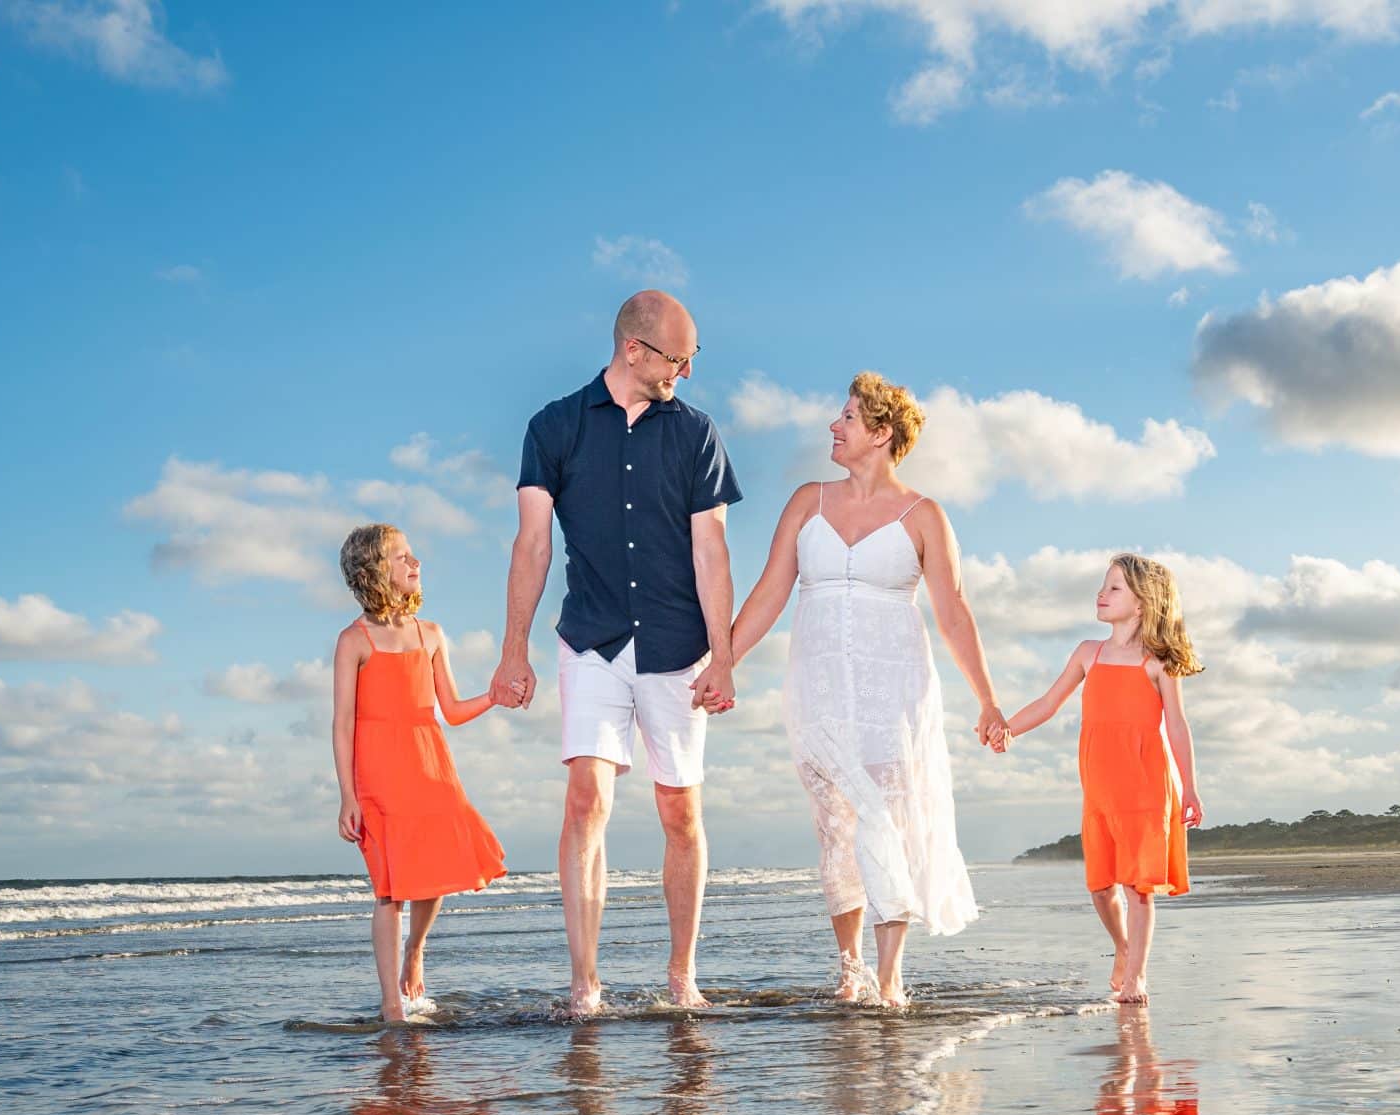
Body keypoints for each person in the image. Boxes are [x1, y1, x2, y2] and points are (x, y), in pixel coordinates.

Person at [491, 291, 741, 1016]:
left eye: (694, 358)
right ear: (635, 350)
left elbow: (712, 551)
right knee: (586, 799)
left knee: (680, 814)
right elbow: (532, 543)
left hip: (677, 646)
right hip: (592, 640)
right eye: (678, 357)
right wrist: (514, 651)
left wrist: (723, 657)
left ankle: (680, 975)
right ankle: (584, 983)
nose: (687, 371)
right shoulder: (554, 426)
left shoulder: (696, 433)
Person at [729, 373, 1007, 1007]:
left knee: (884, 817)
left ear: (881, 434)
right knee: (835, 826)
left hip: (894, 688)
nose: (835, 424)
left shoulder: (925, 516)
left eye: (849, 417)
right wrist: (725, 662)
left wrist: (987, 700)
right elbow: (770, 590)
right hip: (818, 686)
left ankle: (888, 976)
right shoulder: (808, 501)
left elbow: (955, 613)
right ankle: (849, 965)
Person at [1000, 552, 1204, 1003]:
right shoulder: (1088, 654)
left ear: (1144, 602)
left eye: (1114, 588)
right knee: (1099, 887)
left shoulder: (1158, 662)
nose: (1101, 594)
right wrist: (1007, 729)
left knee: (1138, 888)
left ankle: (1136, 978)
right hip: (1100, 790)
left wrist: (1189, 788)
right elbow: (1048, 702)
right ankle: (1123, 948)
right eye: (1103, 585)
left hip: (1148, 788)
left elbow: (1177, 725)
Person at [332, 523, 507, 1024]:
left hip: (430, 765)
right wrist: (348, 795)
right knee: (389, 887)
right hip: (378, 773)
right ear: (375, 570)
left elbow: (449, 709)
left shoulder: (430, 634)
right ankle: (392, 1003)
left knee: (432, 867)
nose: (416, 563)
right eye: (404, 556)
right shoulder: (353, 641)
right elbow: (342, 723)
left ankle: (416, 950)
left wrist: (493, 696)